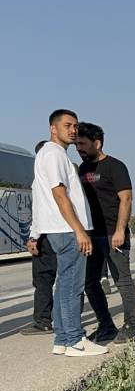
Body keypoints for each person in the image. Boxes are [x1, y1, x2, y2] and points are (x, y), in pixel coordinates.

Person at [32, 109, 107, 357]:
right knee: (72, 286)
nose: (73, 130)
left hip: (60, 228)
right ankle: (76, 340)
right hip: (67, 229)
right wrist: (79, 230)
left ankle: (63, 339)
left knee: (63, 285)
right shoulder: (53, 154)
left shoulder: (51, 154)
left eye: (75, 125)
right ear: (53, 129)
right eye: (67, 125)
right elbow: (59, 193)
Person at [75, 122, 135, 343]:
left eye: (83, 144)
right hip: (92, 236)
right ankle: (106, 326)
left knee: (122, 281)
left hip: (114, 234)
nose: (79, 148)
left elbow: (126, 198)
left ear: (97, 143)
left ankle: (131, 326)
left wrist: (120, 230)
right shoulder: (83, 169)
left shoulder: (115, 166)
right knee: (90, 282)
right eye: (76, 144)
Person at [21, 140, 56, 335]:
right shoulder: (66, 172)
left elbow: (40, 211)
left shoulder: (40, 181)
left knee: (43, 279)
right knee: (69, 279)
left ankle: (43, 320)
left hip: (47, 235)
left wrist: (33, 237)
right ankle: (71, 319)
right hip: (67, 233)